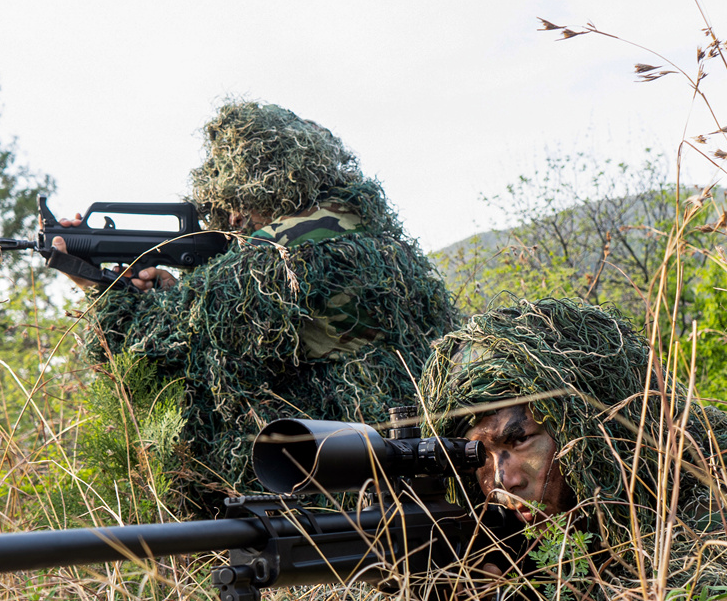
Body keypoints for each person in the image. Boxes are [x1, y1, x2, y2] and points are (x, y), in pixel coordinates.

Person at [52, 100, 458, 517]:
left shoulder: (276, 253)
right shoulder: (371, 235)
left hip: (342, 492)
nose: (232, 219)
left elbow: (143, 352)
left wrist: (94, 284)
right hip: (420, 464)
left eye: (235, 203)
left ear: (262, 186)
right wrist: (173, 293)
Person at [415, 298, 727, 601]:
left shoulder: (703, 492)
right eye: (481, 455)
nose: (504, 480)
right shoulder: (495, 531)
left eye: (521, 442)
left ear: (587, 430)